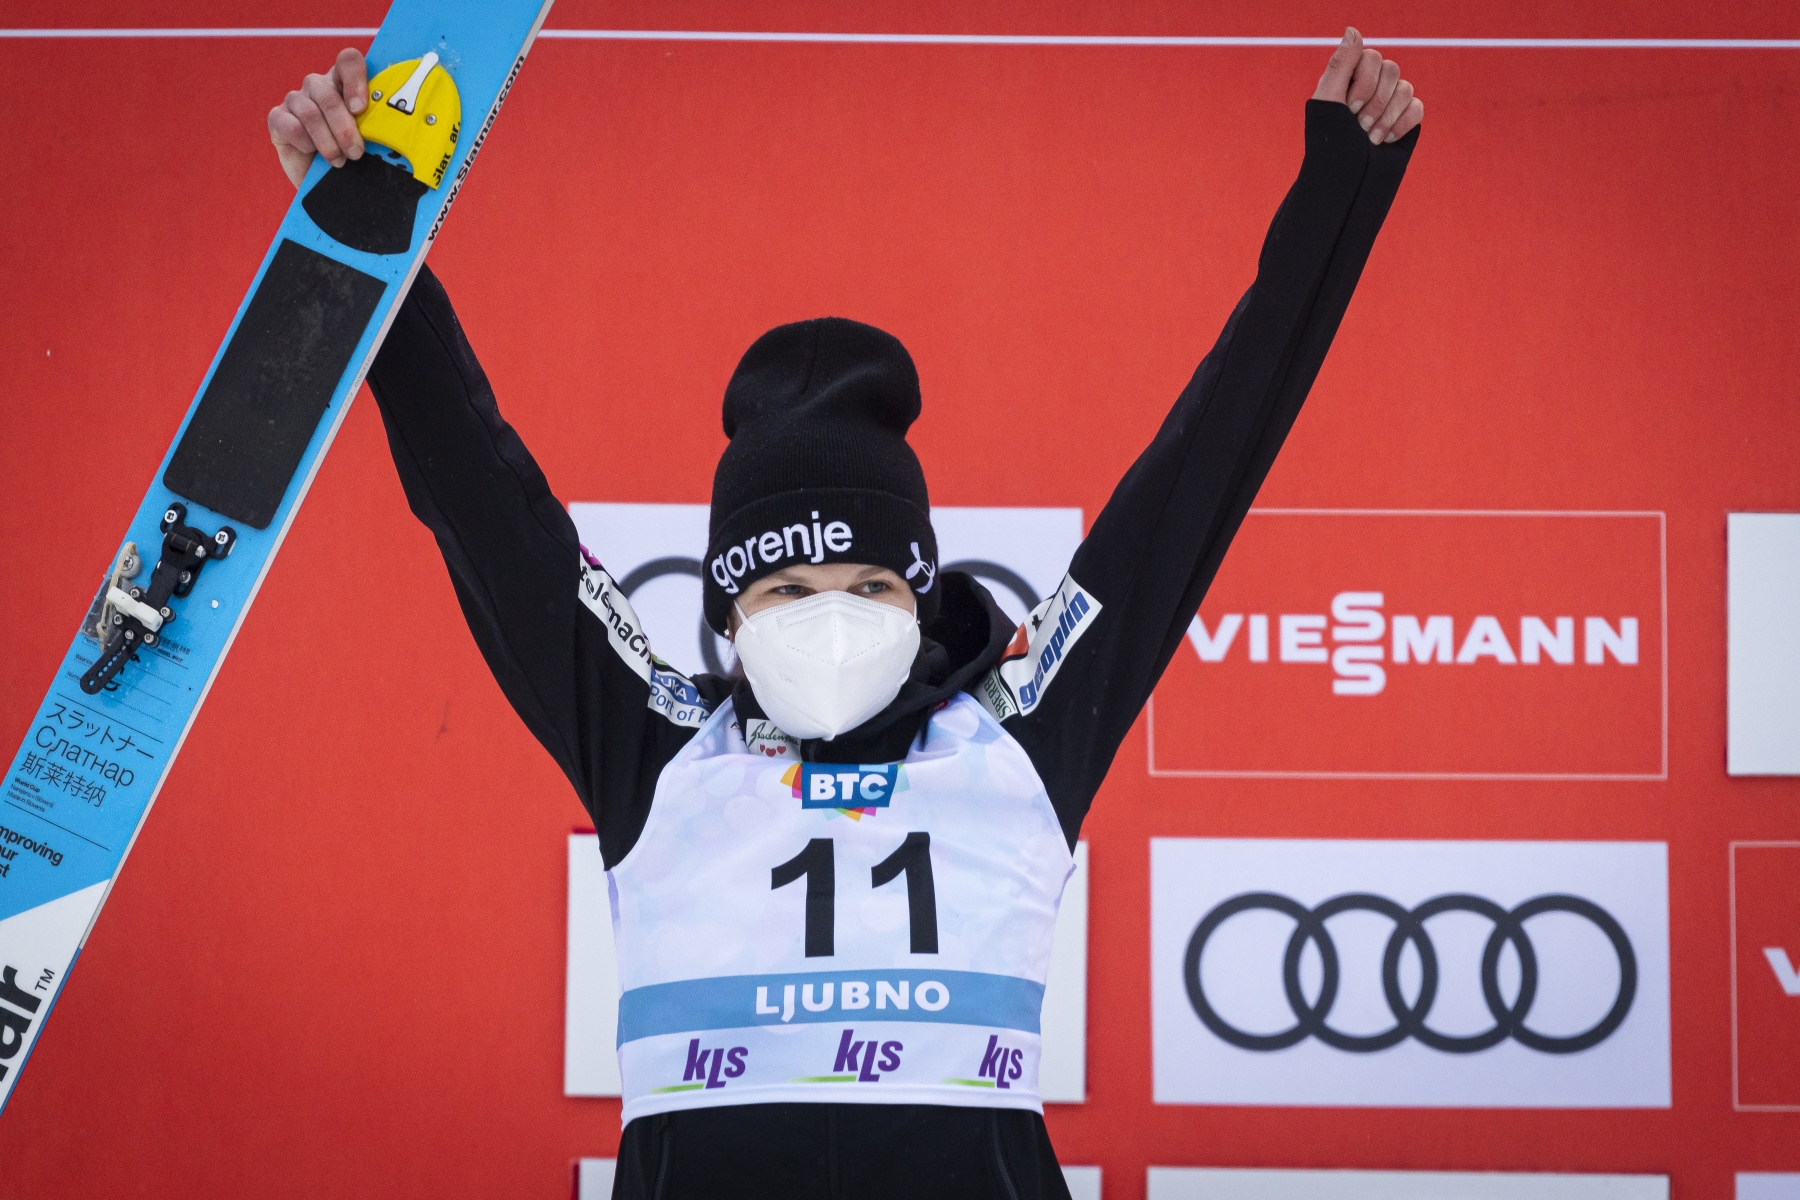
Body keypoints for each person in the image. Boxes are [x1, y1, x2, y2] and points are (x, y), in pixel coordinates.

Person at [270, 27, 1420, 1200]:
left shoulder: (1017, 731)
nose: (831, 619)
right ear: (729, 615)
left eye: (871, 586)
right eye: (786, 590)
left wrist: (1343, 190)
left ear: (921, 599)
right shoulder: (659, 750)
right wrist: (363, 219)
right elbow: (484, 505)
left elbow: (1200, 474)